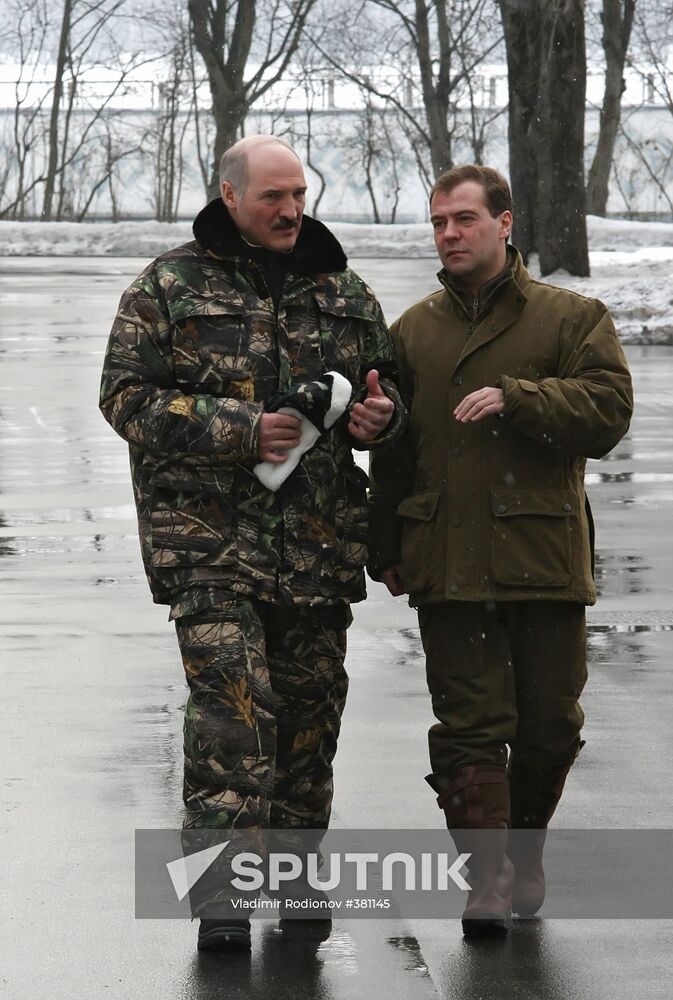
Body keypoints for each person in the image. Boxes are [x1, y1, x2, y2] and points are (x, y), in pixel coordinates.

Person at [100, 134, 404, 952]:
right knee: (233, 720)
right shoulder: (168, 287)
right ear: (230, 196)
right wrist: (241, 428)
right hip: (209, 547)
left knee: (308, 724)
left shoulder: (341, 288)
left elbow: (387, 387)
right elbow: (124, 397)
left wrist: (381, 417)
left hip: (317, 549)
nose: (290, 209)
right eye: (273, 195)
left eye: (298, 193)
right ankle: (223, 899)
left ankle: (297, 882)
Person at [368, 165, 633, 935]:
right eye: (438, 222)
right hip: (446, 559)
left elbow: (608, 411)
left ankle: (523, 849)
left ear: (504, 222)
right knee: (467, 727)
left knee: (549, 726)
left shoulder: (570, 317)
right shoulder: (413, 330)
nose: (448, 234)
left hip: (541, 556)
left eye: (464, 219)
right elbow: (394, 448)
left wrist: (520, 396)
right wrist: (384, 541)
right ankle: (485, 878)